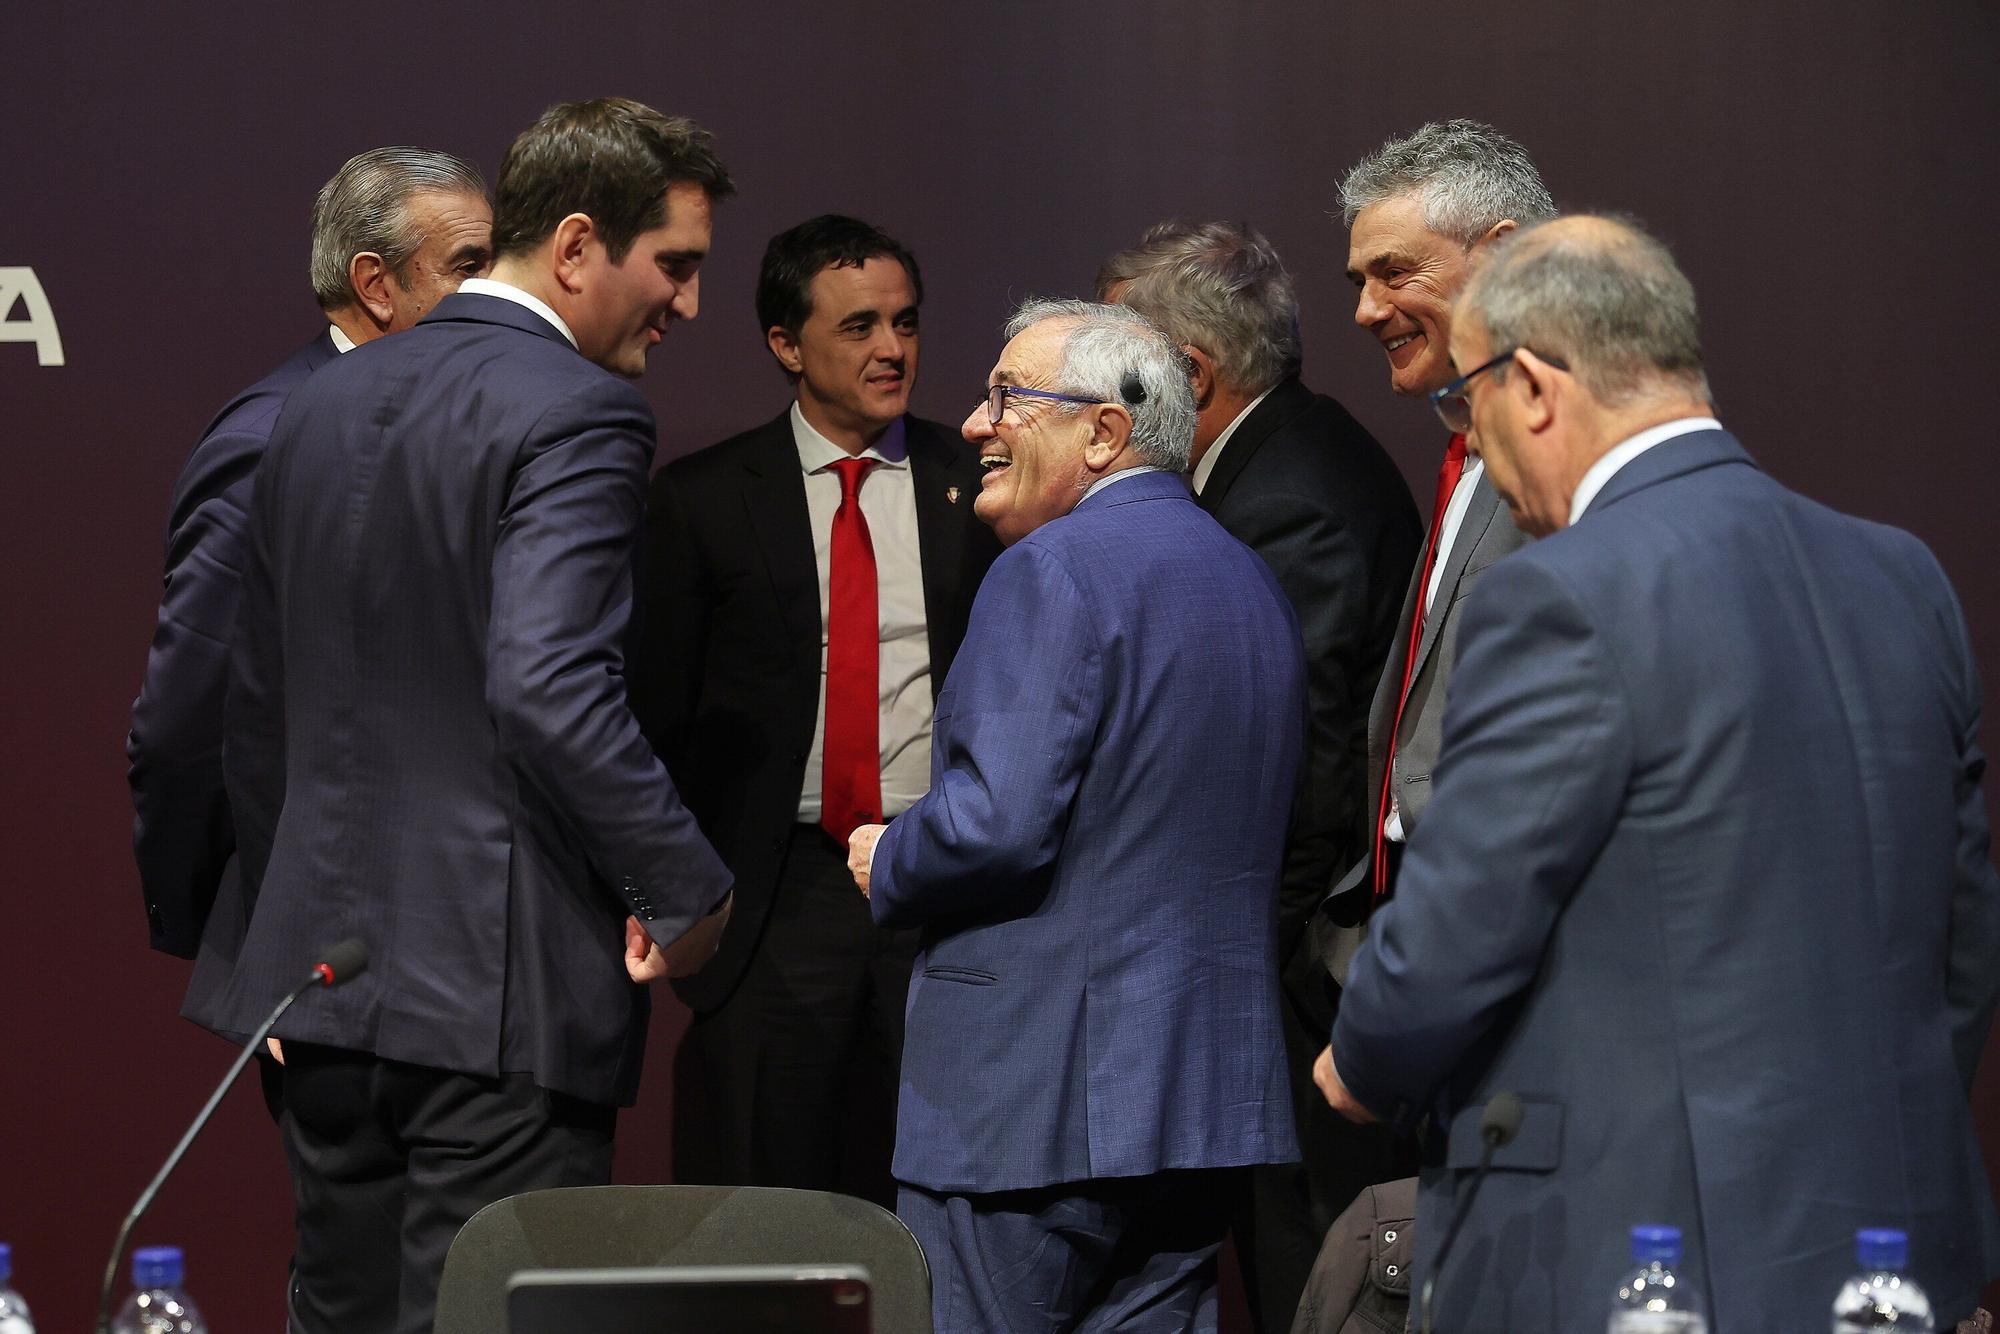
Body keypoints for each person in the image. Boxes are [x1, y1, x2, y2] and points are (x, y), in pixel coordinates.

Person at [1317, 214, 2000, 1330]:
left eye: (1468, 400)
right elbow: (1960, 939)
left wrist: (1360, 1055)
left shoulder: (1555, 594)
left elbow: (1460, 925)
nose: (1475, 443)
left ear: (1530, 386)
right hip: (1892, 1239)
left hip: (1646, 1257)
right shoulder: (1900, 574)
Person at [213, 98, 736, 1334]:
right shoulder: (582, 408)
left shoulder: (312, 400)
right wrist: (688, 890)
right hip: (494, 996)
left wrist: (266, 947)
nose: (690, 304)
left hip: (320, 985)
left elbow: (253, 700)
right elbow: (548, 684)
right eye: (675, 264)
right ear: (572, 247)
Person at [846, 299, 1305, 1332]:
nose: (973, 421)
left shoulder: (1048, 570)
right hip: (1194, 1107)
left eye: (1008, 395)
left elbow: (993, 824)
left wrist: (891, 855)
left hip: (1029, 1106)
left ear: (1103, 431)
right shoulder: (1249, 583)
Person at [635, 214, 997, 1206]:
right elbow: (654, 715)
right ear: (785, 344)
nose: (892, 348)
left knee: (929, 1197)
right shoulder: (703, 500)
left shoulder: (977, 484)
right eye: (859, 326)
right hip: (773, 897)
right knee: (763, 1202)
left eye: (906, 322)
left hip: (937, 886)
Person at [1098, 219, 1421, 1331]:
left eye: (1114, 357)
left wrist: (1245, 954)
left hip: (1293, 981)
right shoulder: (1276, 461)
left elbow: (1303, 761)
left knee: (1308, 1268)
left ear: (1187, 372)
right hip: (1277, 965)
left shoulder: (1291, 490)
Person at [128, 147, 491, 1062]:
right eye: (469, 270)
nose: (499, 297)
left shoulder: (466, 424)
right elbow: (187, 722)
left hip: (463, 946)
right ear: (376, 284)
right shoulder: (273, 438)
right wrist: (257, 934)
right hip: (332, 958)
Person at [1316, 120, 1555, 979]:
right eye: (1360, 279)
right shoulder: (1465, 449)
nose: (1367, 308)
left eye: (1395, 271)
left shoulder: (1566, 455)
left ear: (1503, 254)